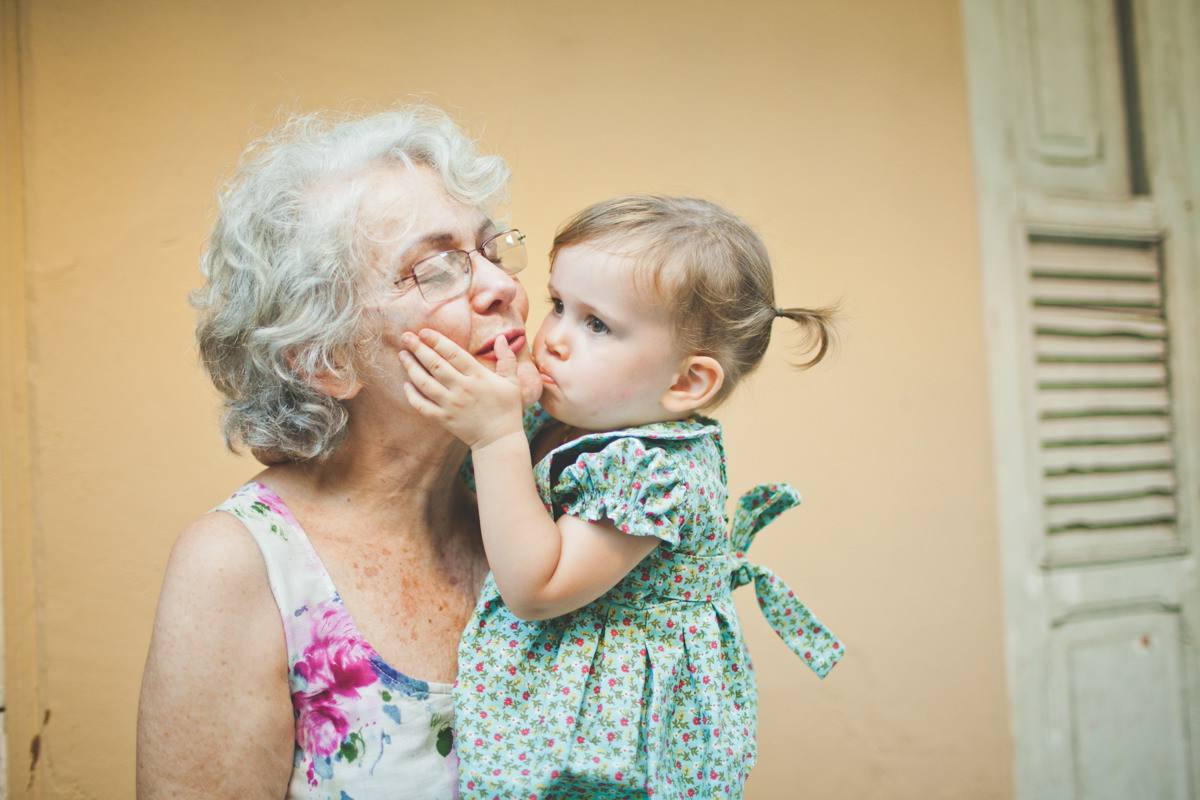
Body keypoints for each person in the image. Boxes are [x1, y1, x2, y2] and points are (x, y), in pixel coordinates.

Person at [136, 105, 542, 799]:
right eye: (437, 269)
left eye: (492, 252)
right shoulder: (241, 565)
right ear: (325, 360)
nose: (503, 286)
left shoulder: (543, 504)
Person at [400, 195, 845, 799]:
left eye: (597, 325)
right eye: (559, 305)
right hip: (560, 715)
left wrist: (495, 434)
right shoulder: (569, 418)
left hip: (620, 743)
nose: (553, 338)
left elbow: (536, 589)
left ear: (688, 382)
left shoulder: (654, 475)